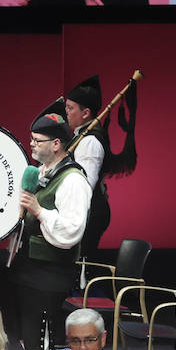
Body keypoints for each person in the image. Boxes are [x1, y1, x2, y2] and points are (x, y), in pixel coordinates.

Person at [11, 112, 91, 350]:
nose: (31, 146)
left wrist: (39, 211)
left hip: (50, 274)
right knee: (34, 346)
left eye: (37, 141)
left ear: (57, 144)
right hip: (31, 271)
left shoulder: (72, 180)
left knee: (44, 348)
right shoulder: (44, 173)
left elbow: (71, 231)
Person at [65, 75, 111, 256]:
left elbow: (86, 184)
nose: (66, 112)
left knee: (81, 262)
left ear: (85, 113)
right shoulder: (79, 137)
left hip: (91, 211)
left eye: (70, 108)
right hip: (85, 210)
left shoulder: (89, 141)